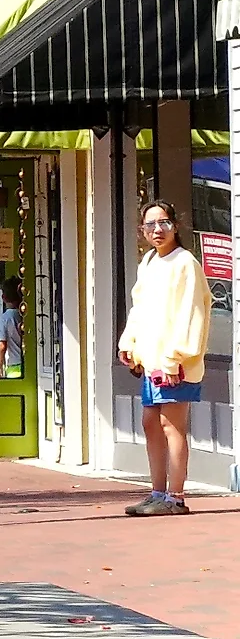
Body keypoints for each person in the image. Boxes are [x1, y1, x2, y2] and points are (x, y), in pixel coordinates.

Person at [120, 201, 212, 516]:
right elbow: (139, 307)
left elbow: (192, 314)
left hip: (174, 362)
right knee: (150, 423)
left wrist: (176, 357)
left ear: (176, 225)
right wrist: (129, 342)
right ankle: (157, 492)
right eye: (150, 225)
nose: (157, 230)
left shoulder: (185, 263)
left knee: (171, 424)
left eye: (163, 223)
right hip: (153, 360)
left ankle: (175, 496)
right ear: (141, 230)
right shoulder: (147, 262)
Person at [0, 277, 28, 374]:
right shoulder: (25, 315)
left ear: (3, 297)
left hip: (13, 365)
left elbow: (2, 345)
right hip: (28, 363)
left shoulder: (3, 319)